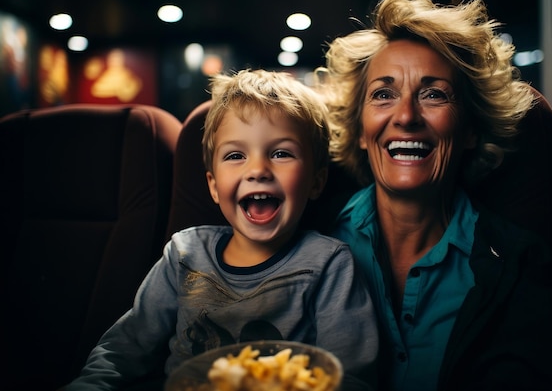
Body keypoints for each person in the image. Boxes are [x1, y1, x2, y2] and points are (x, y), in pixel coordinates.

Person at [65, 69, 378, 390]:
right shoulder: (185, 253)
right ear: (213, 186)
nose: (257, 169)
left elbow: (350, 373)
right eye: (235, 155)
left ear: (316, 181)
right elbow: (124, 349)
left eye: (281, 153)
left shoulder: (329, 264)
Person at [313, 0, 552, 391]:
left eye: (433, 94)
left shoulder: (520, 264)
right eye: (383, 94)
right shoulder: (307, 234)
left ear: (469, 131)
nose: (406, 116)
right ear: (359, 129)